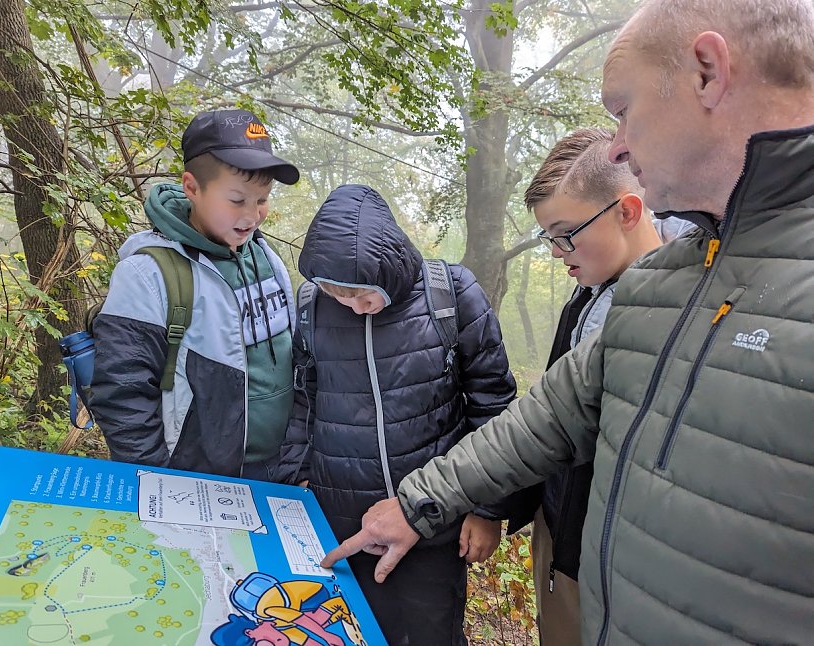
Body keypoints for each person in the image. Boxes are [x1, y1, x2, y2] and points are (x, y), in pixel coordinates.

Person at [322, 1, 814, 643]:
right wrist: (419, 506)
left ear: (708, 73)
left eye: (622, 109)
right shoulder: (662, 283)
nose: (617, 144)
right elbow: (546, 420)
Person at [275, 184, 517, 645]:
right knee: (349, 632)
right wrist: (296, 480)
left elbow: (493, 406)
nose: (353, 307)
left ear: (391, 267)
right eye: (338, 294)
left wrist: (488, 510)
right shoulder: (310, 308)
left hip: (433, 524)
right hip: (340, 524)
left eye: (363, 295)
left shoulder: (451, 295)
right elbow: (303, 398)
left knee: (433, 635)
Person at [506, 127, 691, 645]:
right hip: (562, 530)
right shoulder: (587, 295)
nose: (557, 252)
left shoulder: (682, 308)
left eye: (567, 234)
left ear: (628, 212)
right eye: (550, 238)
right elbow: (549, 419)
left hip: (616, 558)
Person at [90, 109, 299, 480]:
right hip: (196, 476)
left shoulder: (266, 257)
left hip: (279, 470)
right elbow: (123, 395)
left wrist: (298, 458)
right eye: (237, 200)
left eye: (263, 199)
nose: (252, 216)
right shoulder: (147, 274)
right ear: (191, 187)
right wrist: (158, 482)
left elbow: (295, 363)